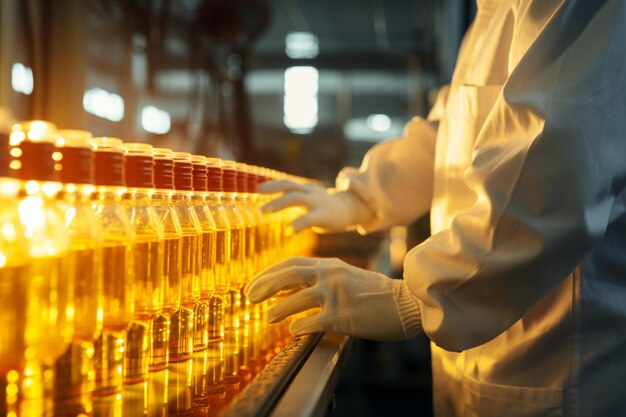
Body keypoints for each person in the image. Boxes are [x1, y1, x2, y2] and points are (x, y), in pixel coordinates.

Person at [245, 0, 626, 416]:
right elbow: (451, 135)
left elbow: (556, 166)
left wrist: (412, 298)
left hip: (555, 370)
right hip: (481, 361)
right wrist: (359, 197)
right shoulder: (491, 14)